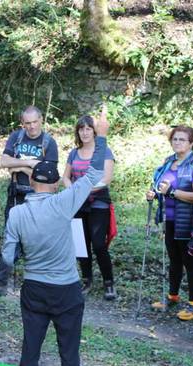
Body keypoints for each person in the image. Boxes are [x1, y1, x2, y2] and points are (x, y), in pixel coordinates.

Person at [1, 109, 111, 366]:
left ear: (33, 183)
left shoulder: (17, 213)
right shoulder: (64, 203)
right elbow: (92, 175)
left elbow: (8, 256)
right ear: (51, 185)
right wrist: (100, 137)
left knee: (30, 349)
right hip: (66, 290)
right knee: (69, 353)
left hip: (34, 288)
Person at [0, 106, 59, 296]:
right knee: (10, 238)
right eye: (27, 123)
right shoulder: (16, 137)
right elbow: (4, 162)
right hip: (16, 195)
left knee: (40, 240)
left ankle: (44, 284)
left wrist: (20, 167)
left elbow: (48, 175)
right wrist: (30, 165)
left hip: (40, 197)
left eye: (34, 122)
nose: (31, 127)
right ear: (22, 123)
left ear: (41, 120)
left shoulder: (49, 142)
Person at [145, 126, 193, 320]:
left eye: (182, 139)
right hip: (169, 218)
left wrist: (172, 192)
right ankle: (172, 296)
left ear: (191, 143)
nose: (177, 142)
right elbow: (161, 187)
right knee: (174, 259)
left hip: (189, 220)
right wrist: (154, 194)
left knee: (190, 262)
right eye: (175, 139)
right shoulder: (168, 162)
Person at [62, 115, 117, 301]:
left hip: (98, 202)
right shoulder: (74, 153)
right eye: (81, 129)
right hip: (77, 202)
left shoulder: (104, 151)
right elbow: (66, 177)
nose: (84, 132)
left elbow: (106, 178)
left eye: (88, 129)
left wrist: (84, 189)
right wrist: (73, 190)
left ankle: (109, 283)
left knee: (99, 244)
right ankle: (86, 280)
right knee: (80, 243)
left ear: (95, 131)